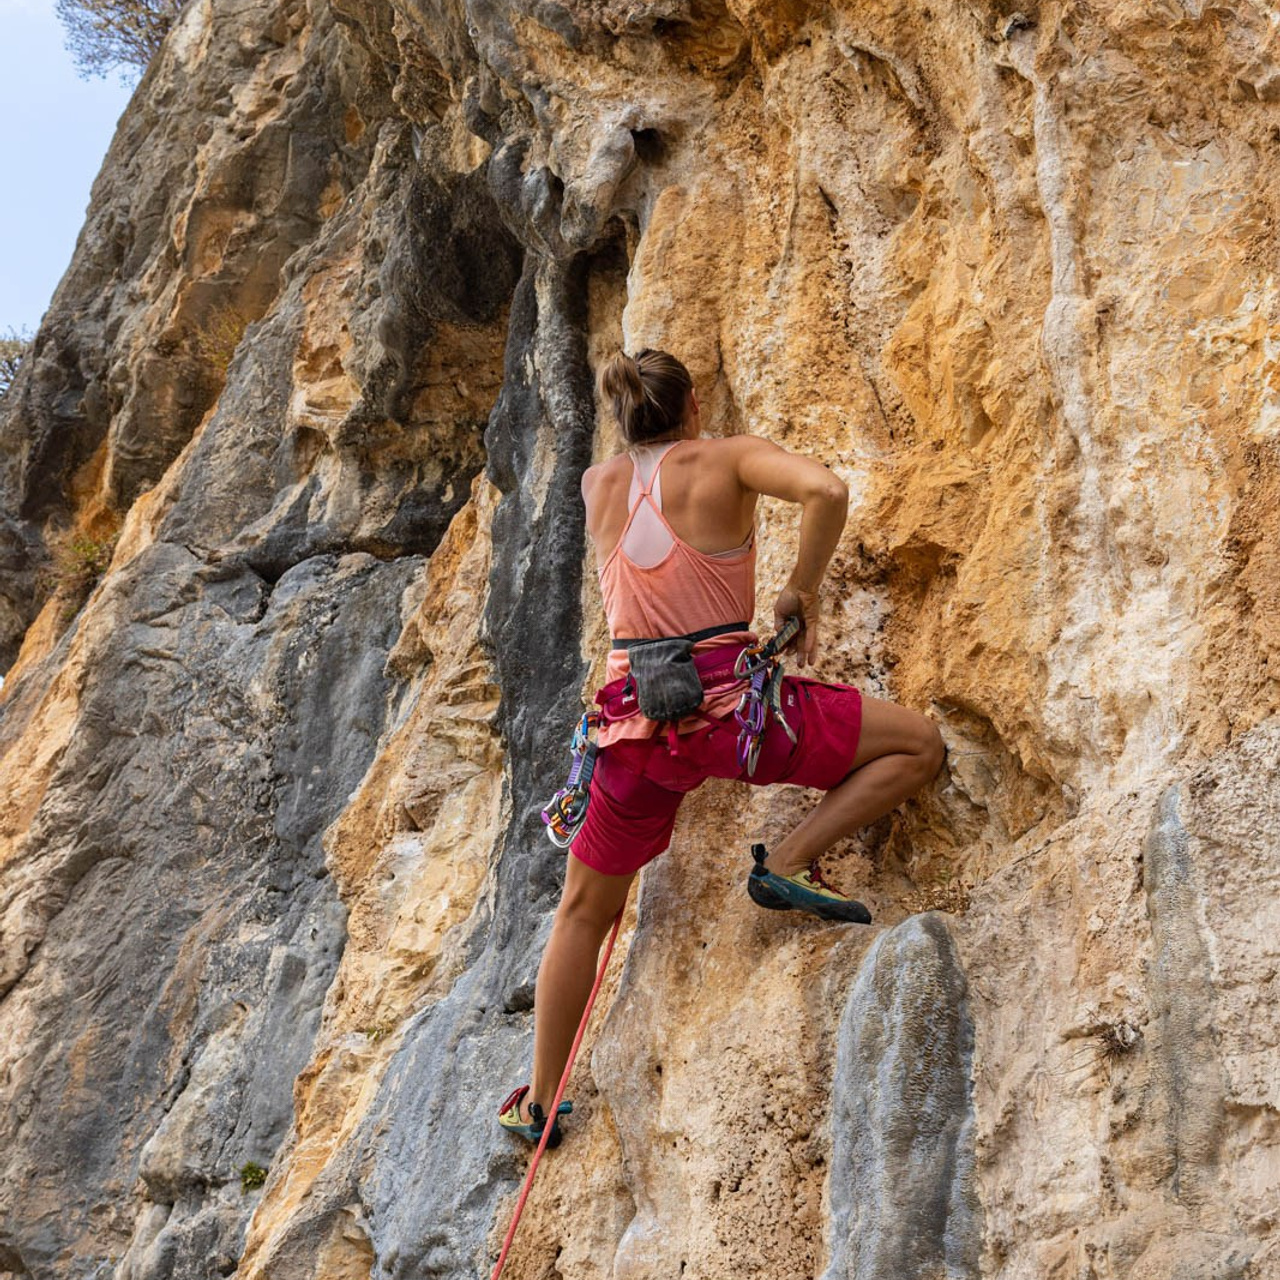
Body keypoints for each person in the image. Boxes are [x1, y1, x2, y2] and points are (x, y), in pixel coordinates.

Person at [498, 348, 945, 1145]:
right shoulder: (727, 457)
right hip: (737, 718)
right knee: (917, 746)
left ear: (623, 415)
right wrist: (798, 591)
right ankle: (786, 859)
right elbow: (827, 491)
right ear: (694, 406)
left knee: (583, 909)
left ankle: (538, 1102)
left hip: (632, 730)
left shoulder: (596, 485)